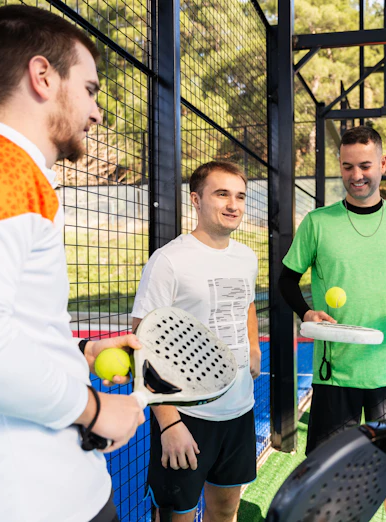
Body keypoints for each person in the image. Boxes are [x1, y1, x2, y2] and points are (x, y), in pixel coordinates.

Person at [0, 6, 146, 522]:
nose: (96, 113)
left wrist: (81, 350)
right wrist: (94, 411)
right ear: (43, 75)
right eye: (90, 90)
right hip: (24, 499)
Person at [280, 125, 386, 522]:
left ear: (382, 164)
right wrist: (307, 312)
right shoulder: (317, 222)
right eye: (347, 167)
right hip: (335, 373)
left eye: (365, 165)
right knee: (329, 474)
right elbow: (286, 279)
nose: (356, 175)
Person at [131, 161, 261, 522]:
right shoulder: (169, 261)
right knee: (178, 517)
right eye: (222, 194)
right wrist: (169, 423)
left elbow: (246, 302)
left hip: (239, 410)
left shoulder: (246, 257)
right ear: (196, 200)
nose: (233, 204)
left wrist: (253, 347)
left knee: (225, 511)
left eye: (239, 196)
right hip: (187, 416)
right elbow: (142, 344)